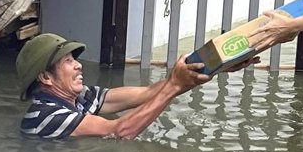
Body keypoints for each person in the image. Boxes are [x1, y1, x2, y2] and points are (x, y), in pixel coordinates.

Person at [16, 32, 221, 140]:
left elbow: (150, 94)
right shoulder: (46, 117)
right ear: (45, 77)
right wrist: (175, 84)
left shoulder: (81, 97)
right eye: (67, 61)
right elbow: (119, 131)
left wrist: (213, 66)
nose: (79, 65)